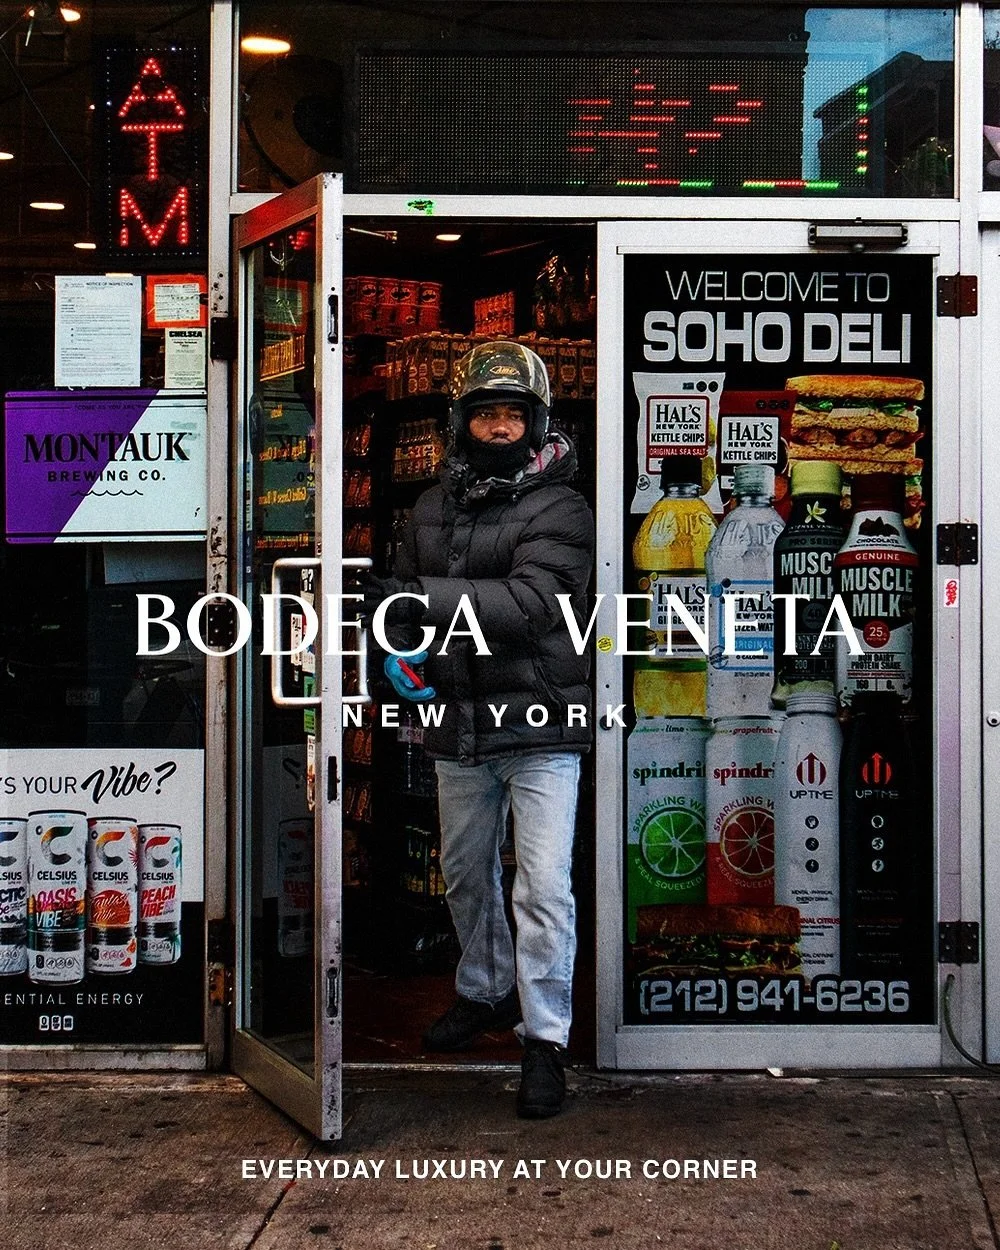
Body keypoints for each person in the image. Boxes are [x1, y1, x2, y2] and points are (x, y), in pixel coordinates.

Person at [359, 341, 593, 1118]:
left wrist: (416, 597)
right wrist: (397, 655)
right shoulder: (430, 507)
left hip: (540, 724)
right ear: (460, 422)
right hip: (456, 722)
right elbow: (397, 614)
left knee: (545, 887)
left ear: (537, 422)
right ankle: (485, 988)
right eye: (485, 413)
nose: (499, 427)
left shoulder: (561, 505)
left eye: (512, 414)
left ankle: (545, 1039)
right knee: (464, 873)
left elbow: (533, 605)